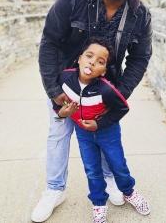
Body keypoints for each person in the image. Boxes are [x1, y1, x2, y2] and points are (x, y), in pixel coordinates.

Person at [32, 0, 152, 222]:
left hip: (104, 89)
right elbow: (49, 42)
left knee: (103, 136)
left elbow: (139, 58)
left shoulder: (139, 14)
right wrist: (53, 91)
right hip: (66, 86)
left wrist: (118, 95)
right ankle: (55, 189)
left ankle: (110, 179)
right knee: (59, 134)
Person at [54, 36, 150, 222]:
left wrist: (100, 124)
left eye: (100, 61)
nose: (92, 62)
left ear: (103, 71)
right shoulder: (65, 78)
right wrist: (62, 113)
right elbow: (57, 101)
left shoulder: (106, 90)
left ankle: (129, 192)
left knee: (118, 165)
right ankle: (98, 204)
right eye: (89, 56)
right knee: (92, 170)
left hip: (108, 133)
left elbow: (122, 108)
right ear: (80, 58)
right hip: (83, 134)